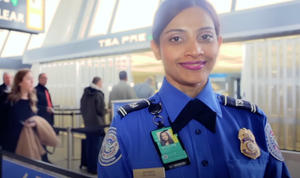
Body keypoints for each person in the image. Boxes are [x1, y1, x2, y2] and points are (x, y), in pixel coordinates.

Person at [98, 0, 290, 178]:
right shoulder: (129, 127)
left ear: (218, 43)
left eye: (205, 36)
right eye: (176, 39)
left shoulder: (251, 120)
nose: (195, 50)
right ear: (156, 48)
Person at [1, 69, 38, 153]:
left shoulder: (32, 100)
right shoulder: (7, 98)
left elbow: (34, 118)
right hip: (10, 146)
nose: (32, 81)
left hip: (27, 143)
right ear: (19, 82)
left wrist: (34, 123)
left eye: (32, 78)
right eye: (29, 79)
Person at [80, 76, 106, 174]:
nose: (102, 84)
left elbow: (82, 108)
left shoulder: (85, 93)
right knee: (96, 147)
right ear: (98, 83)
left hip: (88, 124)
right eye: (101, 82)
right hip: (97, 125)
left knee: (89, 145)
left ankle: (90, 167)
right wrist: (106, 111)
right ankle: (95, 168)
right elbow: (100, 110)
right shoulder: (98, 94)